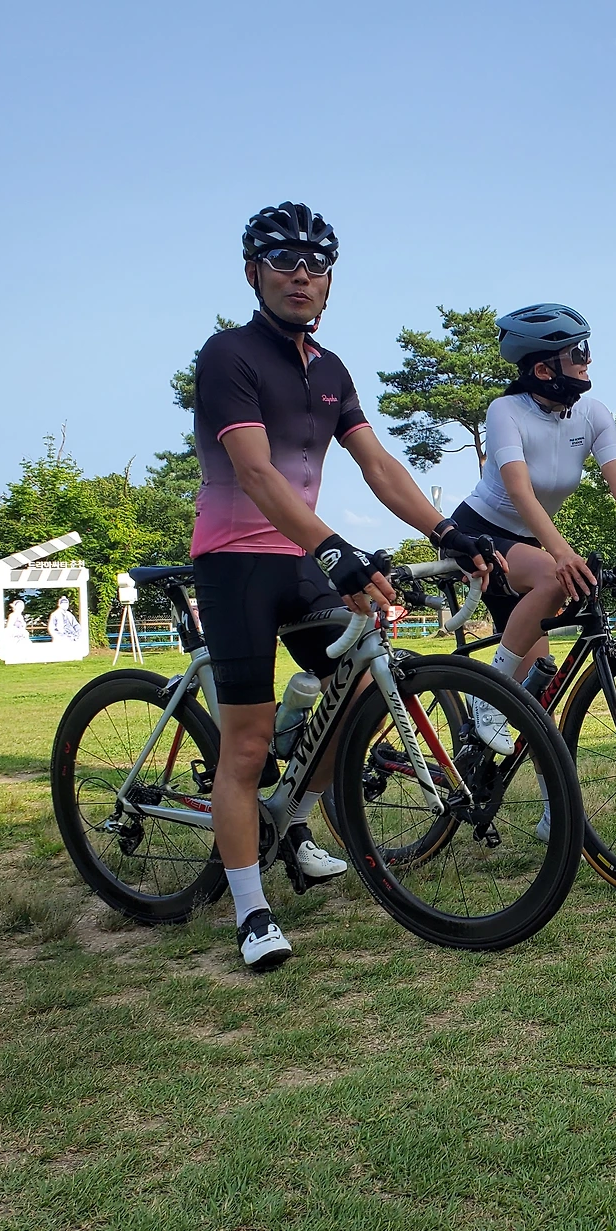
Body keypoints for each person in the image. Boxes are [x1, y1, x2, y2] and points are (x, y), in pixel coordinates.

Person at [191, 202, 492, 972]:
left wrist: (446, 531)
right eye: (283, 260)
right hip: (235, 561)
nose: (301, 274)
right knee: (246, 742)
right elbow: (255, 471)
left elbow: (378, 465)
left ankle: (290, 816)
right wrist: (333, 548)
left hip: (298, 558)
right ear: (252, 272)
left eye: (316, 264)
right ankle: (251, 909)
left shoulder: (330, 371)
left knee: (357, 692)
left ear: (329, 282)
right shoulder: (229, 355)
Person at [446, 305, 616, 788]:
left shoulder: (593, 414)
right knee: (554, 577)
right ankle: (487, 696)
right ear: (543, 369)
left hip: (530, 543)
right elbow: (519, 491)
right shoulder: (505, 411)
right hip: (476, 534)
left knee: (541, 695)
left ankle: (550, 813)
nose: (587, 360)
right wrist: (560, 553)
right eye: (578, 353)